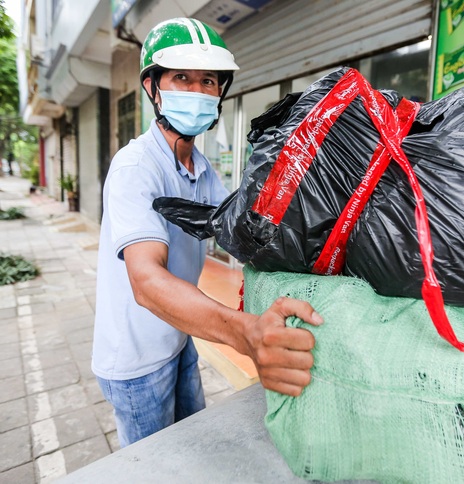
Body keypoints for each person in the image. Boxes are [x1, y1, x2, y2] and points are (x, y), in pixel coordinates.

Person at [91, 17, 323, 448]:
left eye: (209, 81)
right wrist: (244, 332)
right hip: (138, 358)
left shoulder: (201, 169)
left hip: (179, 338)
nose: (198, 92)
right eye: (182, 78)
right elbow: (146, 282)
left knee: (195, 449)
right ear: (153, 87)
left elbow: (242, 231)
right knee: (155, 470)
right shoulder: (135, 168)